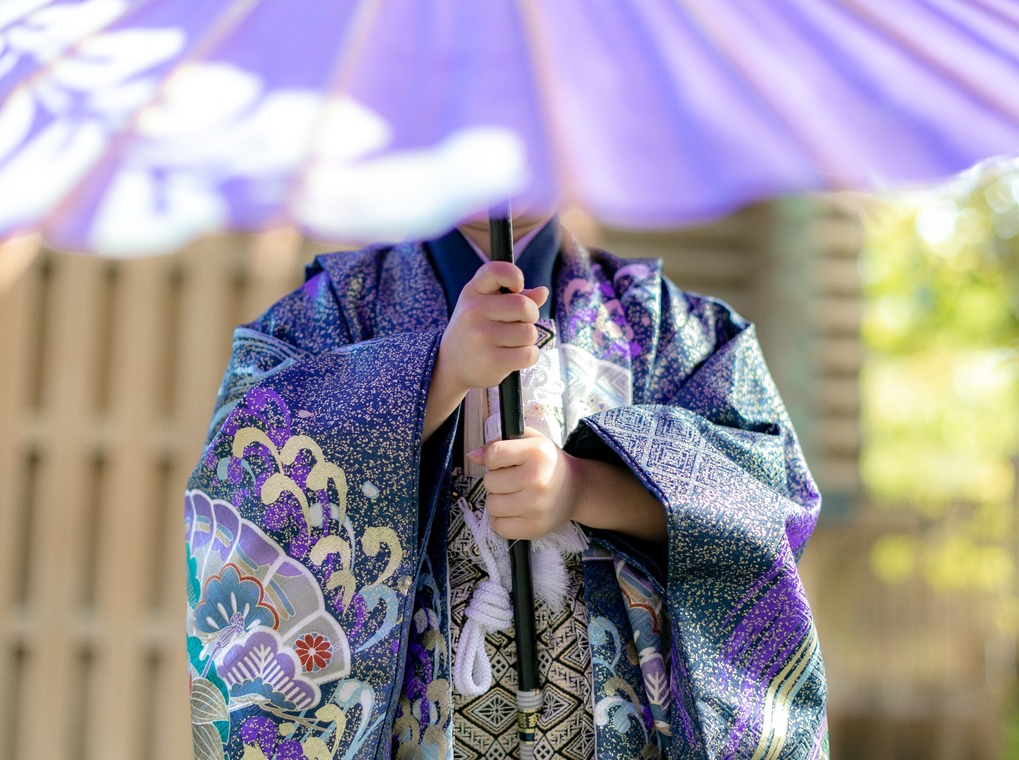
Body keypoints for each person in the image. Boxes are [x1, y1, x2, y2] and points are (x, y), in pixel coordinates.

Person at [184, 214, 828, 759]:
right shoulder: (339, 310)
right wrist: (437, 372)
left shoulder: (660, 324)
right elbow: (245, 470)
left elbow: (771, 495)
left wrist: (587, 487)